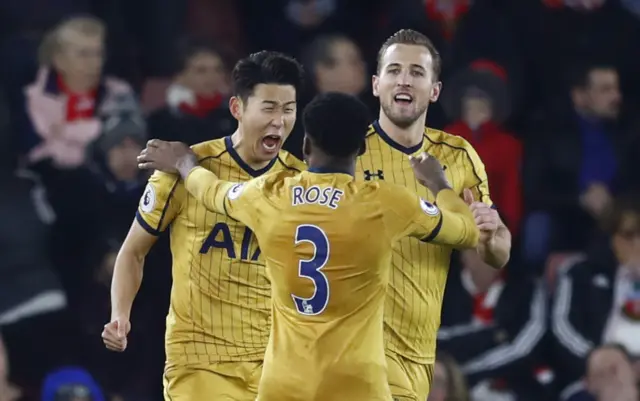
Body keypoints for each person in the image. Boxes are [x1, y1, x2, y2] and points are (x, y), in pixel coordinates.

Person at [136, 92, 480, 401]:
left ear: (305, 147)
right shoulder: (386, 204)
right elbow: (465, 231)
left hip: (285, 386)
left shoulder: (270, 194)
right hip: (358, 386)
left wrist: (184, 163)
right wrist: (439, 184)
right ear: (361, 148)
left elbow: (212, 192)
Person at [101, 51, 306, 401]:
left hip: (276, 364)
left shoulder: (301, 182)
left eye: (288, 109)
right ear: (237, 108)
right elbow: (133, 251)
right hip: (200, 363)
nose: (279, 121)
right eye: (269, 108)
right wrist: (120, 315)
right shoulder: (184, 168)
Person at [358, 29, 512, 400]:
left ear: (435, 90)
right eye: (394, 70)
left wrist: (491, 236)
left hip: (417, 348)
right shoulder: (349, 151)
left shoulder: (459, 156)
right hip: (354, 340)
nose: (404, 80)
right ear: (377, 84)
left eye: (416, 72)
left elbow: (498, 252)